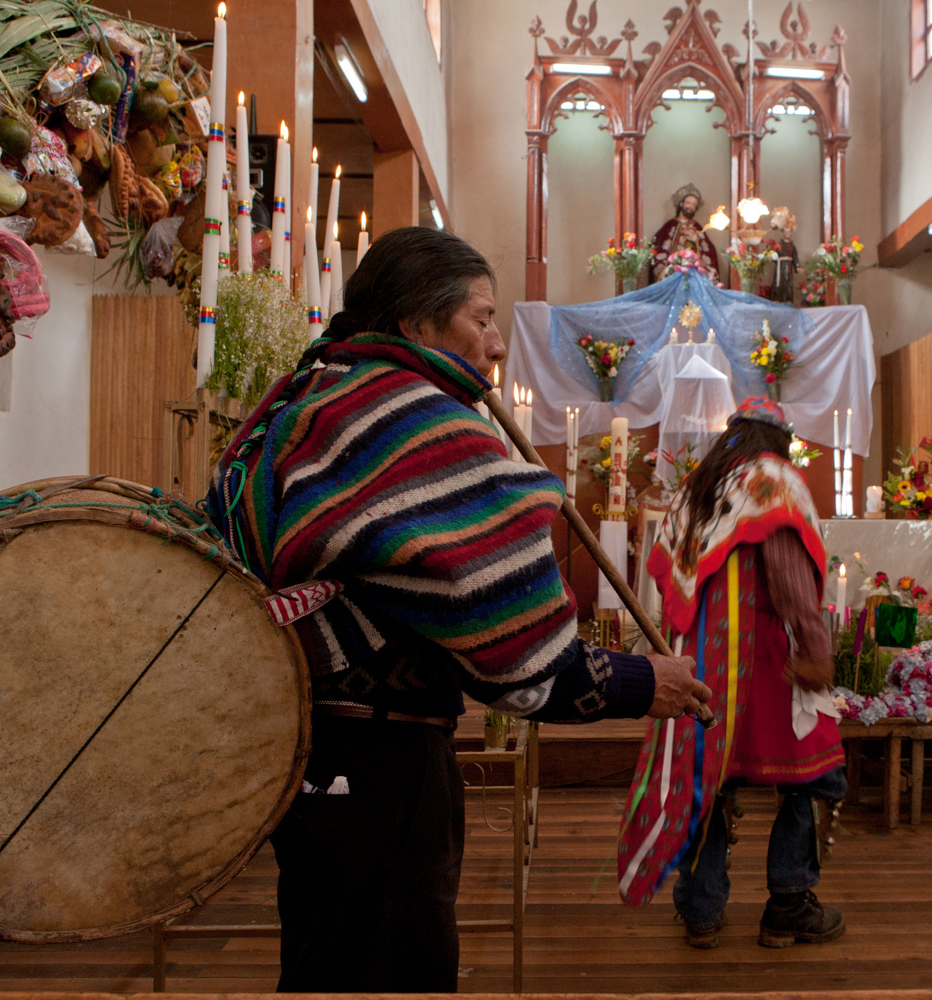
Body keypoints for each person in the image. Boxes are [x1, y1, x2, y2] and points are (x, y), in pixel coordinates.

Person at [204, 226, 710, 993]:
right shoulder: (419, 424)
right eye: (482, 317)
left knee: (326, 958)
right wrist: (649, 682)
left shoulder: (315, 397)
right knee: (389, 969)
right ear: (416, 325)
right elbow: (525, 669)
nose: (498, 344)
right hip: (383, 771)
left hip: (307, 754)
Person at [617, 397, 846, 950]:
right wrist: (815, 648)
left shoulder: (700, 485)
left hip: (701, 660)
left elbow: (669, 578)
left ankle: (701, 910)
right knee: (819, 776)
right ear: (779, 441)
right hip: (764, 661)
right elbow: (790, 576)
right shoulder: (773, 481)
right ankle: (788, 906)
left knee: (709, 779)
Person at [651, 182, 720, 282]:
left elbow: (709, 252)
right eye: (688, 202)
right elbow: (658, 246)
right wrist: (677, 242)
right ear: (681, 204)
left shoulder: (697, 227)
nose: (691, 206)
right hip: (675, 271)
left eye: (694, 205)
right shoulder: (670, 225)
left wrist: (696, 241)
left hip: (694, 271)